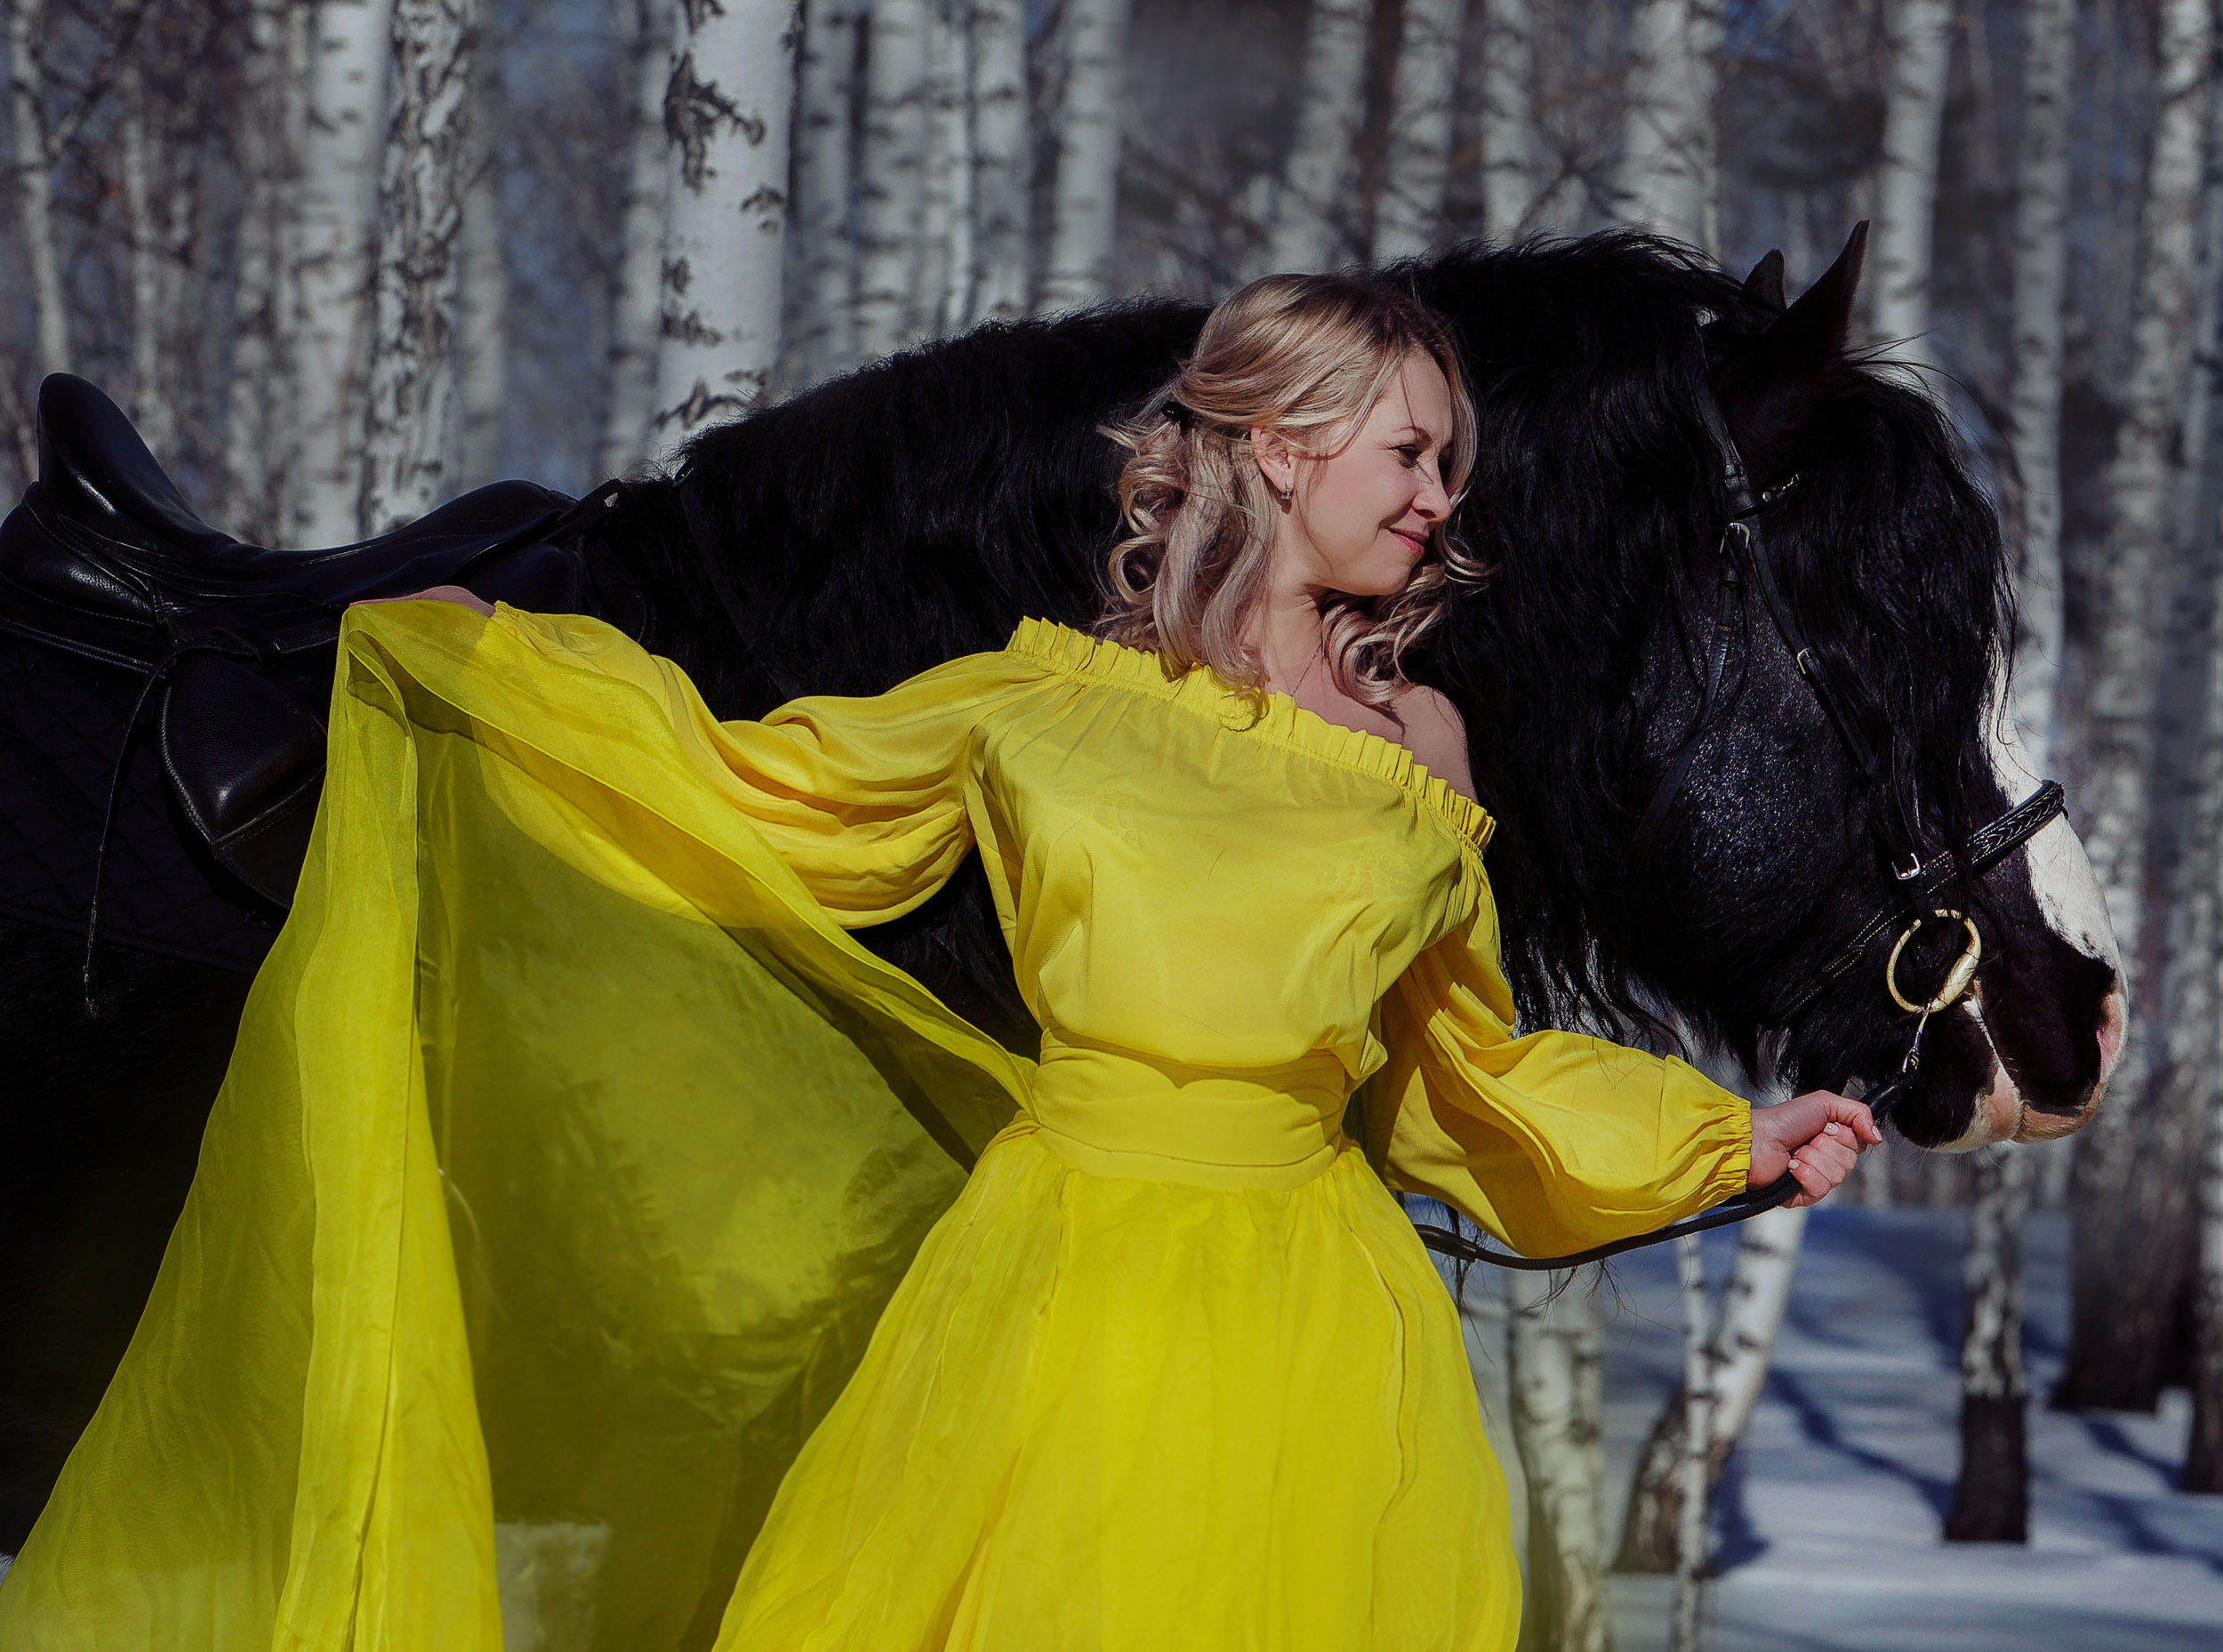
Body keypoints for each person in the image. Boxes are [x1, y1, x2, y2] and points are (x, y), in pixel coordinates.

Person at [0, 274, 1875, 1650]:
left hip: (1317, 1345)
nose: (1437, 497)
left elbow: (1462, 1078)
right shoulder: (1037, 705)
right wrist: (501, 664)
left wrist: (1722, 1136)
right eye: (1407, 451)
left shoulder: (1427, 754)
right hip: (1040, 1308)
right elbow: (755, 792)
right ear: (1280, 444)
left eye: (1447, 462)